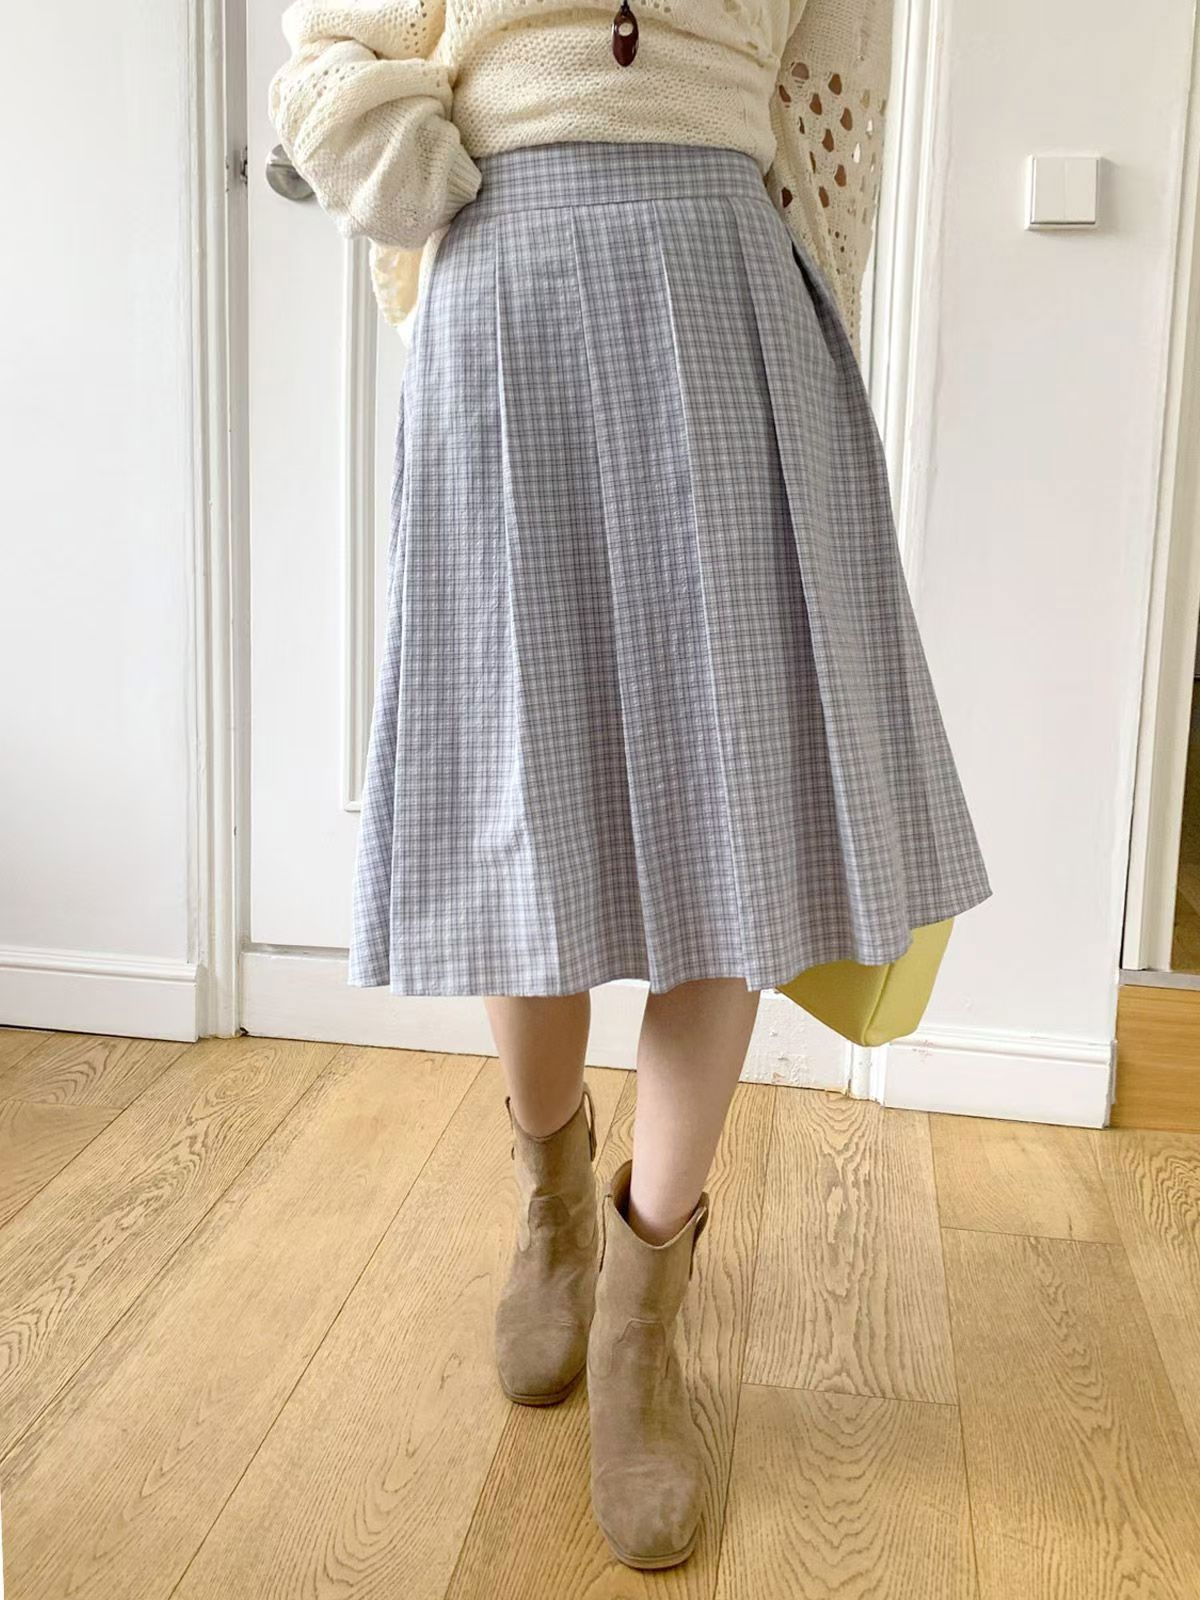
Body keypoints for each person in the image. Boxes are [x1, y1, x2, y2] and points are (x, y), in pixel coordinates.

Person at [269, 0, 992, 1572]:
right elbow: (330, 51)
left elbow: (834, 96)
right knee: (521, 805)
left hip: (734, 295)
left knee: (734, 823)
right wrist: (416, 160)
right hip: (509, 288)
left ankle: (645, 1307)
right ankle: (551, 1199)